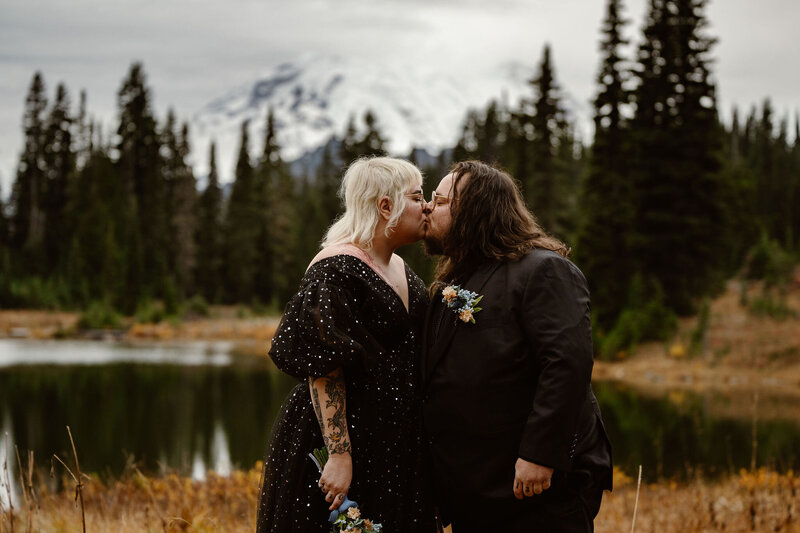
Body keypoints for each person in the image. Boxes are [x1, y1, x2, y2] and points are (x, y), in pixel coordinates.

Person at [421, 161, 613, 532]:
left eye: (440, 201)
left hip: (536, 492)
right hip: (478, 493)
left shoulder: (543, 270)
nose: (428, 208)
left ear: (473, 211)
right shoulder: (457, 279)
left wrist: (540, 454)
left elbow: (567, 364)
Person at [256, 157, 439, 532]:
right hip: (347, 442)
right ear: (386, 206)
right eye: (417, 196)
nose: (427, 207)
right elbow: (324, 366)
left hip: (394, 443)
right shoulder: (336, 268)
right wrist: (339, 455)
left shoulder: (400, 267)